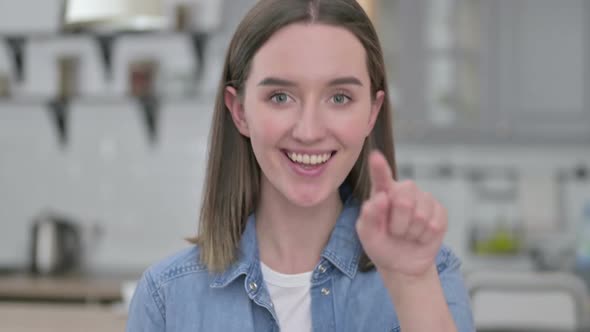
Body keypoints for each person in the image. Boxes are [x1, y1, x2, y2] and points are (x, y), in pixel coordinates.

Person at [126, 0, 474, 331]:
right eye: (280, 97)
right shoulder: (166, 298)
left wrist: (412, 285)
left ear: (372, 111)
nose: (309, 131)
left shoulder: (429, 274)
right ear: (240, 111)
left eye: (340, 97)